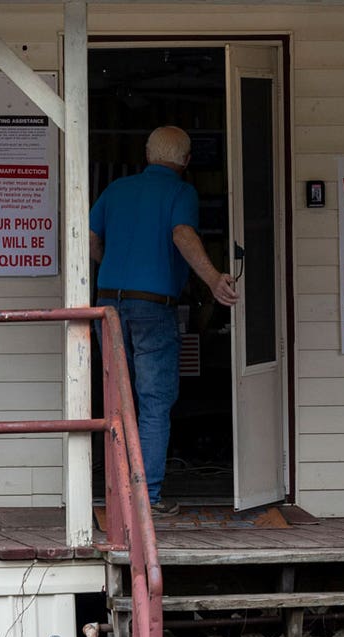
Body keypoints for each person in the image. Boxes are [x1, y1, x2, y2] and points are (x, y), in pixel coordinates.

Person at [89, 125, 239, 517]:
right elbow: (182, 233)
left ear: (146, 153)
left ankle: (117, 495)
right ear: (187, 161)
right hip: (153, 308)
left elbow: (88, 239)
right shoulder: (180, 192)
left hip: (108, 305)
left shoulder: (116, 189)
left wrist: (115, 270)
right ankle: (146, 499)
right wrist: (214, 281)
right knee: (154, 402)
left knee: (119, 401)